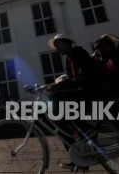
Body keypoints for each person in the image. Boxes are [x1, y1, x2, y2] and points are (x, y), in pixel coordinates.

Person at [46, 34, 104, 171]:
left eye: (58, 44)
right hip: (82, 92)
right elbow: (72, 79)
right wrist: (58, 84)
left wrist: (59, 85)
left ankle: (86, 130)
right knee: (61, 126)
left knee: (62, 116)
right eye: (56, 46)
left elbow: (81, 77)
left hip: (90, 92)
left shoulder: (78, 53)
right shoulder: (69, 59)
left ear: (66, 43)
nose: (57, 48)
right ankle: (78, 158)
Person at [92, 33, 119, 104]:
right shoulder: (102, 62)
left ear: (110, 46)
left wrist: (108, 35)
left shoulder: (118, 55)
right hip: (113, 95)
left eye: (103, 47)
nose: (102, 51)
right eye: (99, 49)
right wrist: (93, 56)